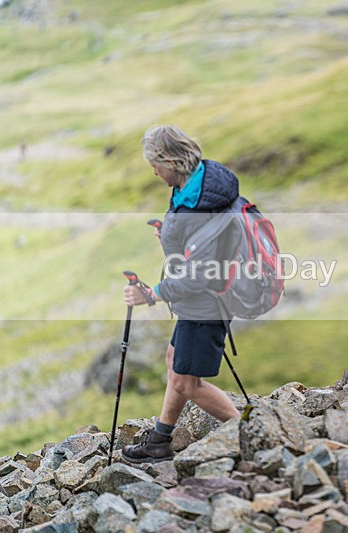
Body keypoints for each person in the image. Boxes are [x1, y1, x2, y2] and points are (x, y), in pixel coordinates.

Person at [121, 125, 241, 463]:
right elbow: (199, 249)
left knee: (188, 383)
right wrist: (171, 237)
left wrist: (152, 294)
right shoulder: (199, 181)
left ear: (171, 160)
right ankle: (160, 439)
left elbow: (200, 273)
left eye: (155, 164)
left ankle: (251, 430)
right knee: (175, 364)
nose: (154, 171)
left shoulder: (199, 204)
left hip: (208, 301)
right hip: (203, 298)